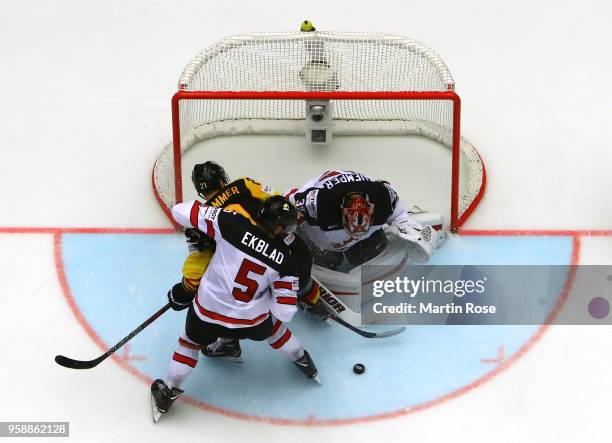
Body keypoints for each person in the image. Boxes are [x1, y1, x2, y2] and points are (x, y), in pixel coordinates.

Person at [151, 195, 320, 422]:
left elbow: (179, 211)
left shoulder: (233, 224)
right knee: (275, 329)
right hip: (252, 322)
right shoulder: (286, 262)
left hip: (207, 314)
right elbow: (285, 312)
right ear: (279, 226)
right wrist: (269, 292)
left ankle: (168, 392)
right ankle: (303, 361)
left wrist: (210, 216)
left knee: (189, 342)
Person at [177, 162, 324, 362]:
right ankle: (314, 301)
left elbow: (198, 267)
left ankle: (229, 344)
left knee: (225, 294)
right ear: (222, 180)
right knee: (298, 277)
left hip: (265, 273)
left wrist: (185, 289)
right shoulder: (243, 184)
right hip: (296, 252)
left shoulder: (204, 222)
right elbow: (279, 201)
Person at [285, 169, 444, 271]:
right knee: (326, 261)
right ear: (341, 213)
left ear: (373, 209)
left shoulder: (384, 199)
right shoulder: (314, 203)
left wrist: (413, 235)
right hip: (322, 244)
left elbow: (402, 218)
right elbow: (286, 203)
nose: (356, 234)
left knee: (372, 253)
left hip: (366, 239)